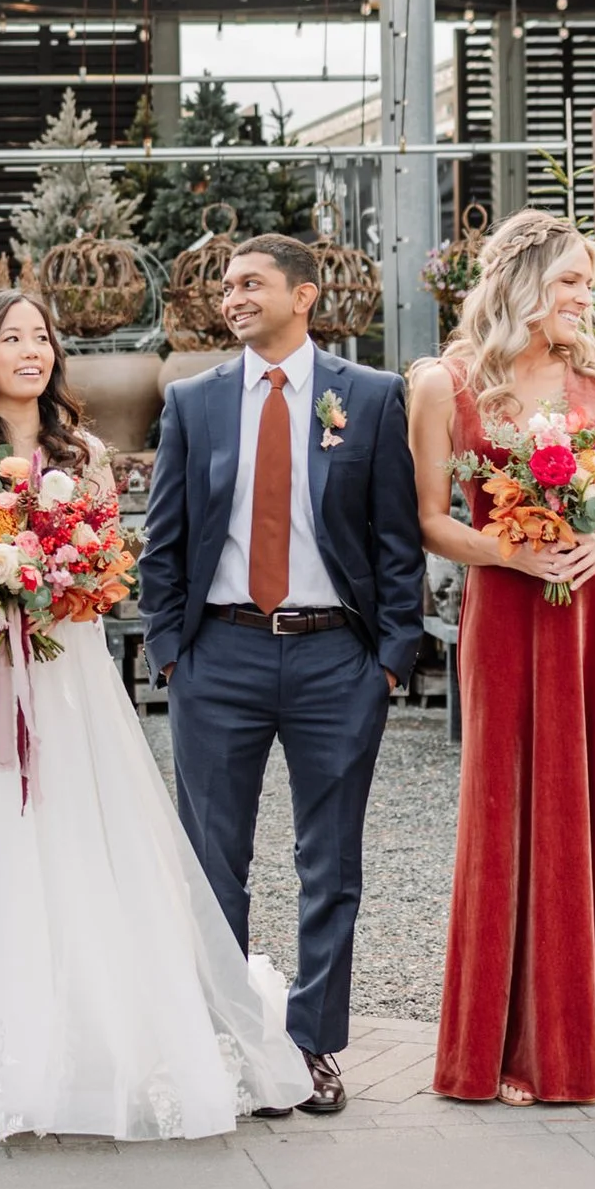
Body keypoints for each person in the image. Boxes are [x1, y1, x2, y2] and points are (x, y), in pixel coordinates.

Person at [0, 290, 311, 1141]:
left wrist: (51, 579)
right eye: (13, 337)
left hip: (65, 680)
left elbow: (107, 569)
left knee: (77, 842)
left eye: (41, 337)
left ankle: (95, 1052)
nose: (32, 350)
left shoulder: (86, 450)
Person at [139, 234, 424, 1116]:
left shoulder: (369, 398)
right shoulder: (193, 400)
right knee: (213, 860)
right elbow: (165, 538)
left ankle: (313, 1045)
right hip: (217, 656)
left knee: (329, 861)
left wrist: (389, 659)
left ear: (303, 296)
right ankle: (223, 1043)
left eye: (251, 283)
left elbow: (395, 538)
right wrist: (171, 650)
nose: (233, 297)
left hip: (334, 658)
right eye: (227, 286)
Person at [408, 210, 595, 1107]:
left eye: (586, 282)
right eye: (569, 280)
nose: (583, 297)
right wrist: (513, 554)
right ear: (520, 282)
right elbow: (434, 521)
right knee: (507, 802)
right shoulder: (446, 385)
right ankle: (511, 1044)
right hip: (511, 609)